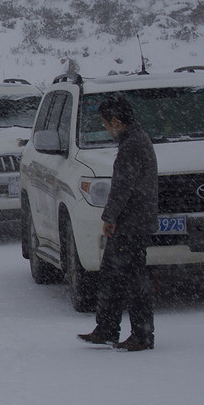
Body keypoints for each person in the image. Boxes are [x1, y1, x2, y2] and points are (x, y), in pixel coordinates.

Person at [78, 92, 158, 352]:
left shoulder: (131, 145)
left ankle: (137, 334)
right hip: (138, 220)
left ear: (115, 120)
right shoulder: (139, 138)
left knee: (128, 279)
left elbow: (122, 186)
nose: (105, 128)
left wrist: (110, 216)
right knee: (118, 276)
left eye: (105, 123)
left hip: (131, 223)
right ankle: (108, 328)